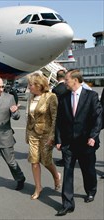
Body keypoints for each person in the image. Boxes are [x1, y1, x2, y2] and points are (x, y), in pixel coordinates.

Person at [55, 69, 103, 216]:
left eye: (67, 80)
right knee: (68, 171)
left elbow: (98, 118)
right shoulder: (64, 97)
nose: (65, 83)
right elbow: (59, 121)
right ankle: (67, 203)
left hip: (86, 142)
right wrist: (58, 140)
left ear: (75, 80)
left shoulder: (91, 96)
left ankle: (90, 190)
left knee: (88, 170)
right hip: (69, 143)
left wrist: (93, 136)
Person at [25, 72, 61, 200]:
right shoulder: (30, 97)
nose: (29, 87)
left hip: (46, 134)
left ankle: (56, 175)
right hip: (33, 133)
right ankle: (38, 187)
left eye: (31, 85)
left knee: (46, 161)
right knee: (34, 161)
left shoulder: (51, 97)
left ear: (39, 85)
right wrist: (27, 134)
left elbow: (55, 117)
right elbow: (29, 118)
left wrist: (52, 136)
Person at [52, 69, 69, 167]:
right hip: (69, 116)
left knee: (61, 137)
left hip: (60, 116)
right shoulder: (68, 88)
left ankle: (64, 159)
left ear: (57, 77)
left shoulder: (56, 89)